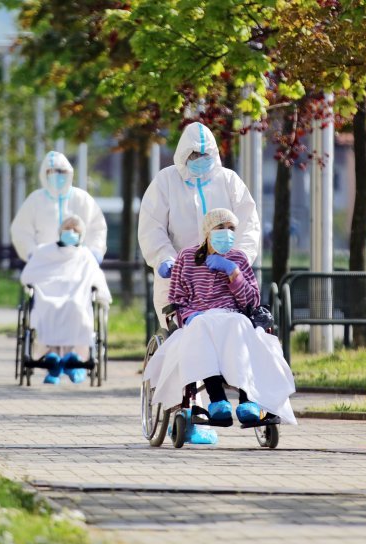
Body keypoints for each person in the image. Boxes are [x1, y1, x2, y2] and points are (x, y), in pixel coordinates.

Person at [142, 209, 296, 445]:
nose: (227, 233)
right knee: (202, 327)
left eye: (231, 229)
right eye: (220, 228)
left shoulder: (238, 260)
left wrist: (233, 273)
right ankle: (217, 401)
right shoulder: (187, 257)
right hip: (199, 316)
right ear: (207, 232)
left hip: (230, 315)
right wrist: (188, 316)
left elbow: (251, 302)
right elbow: (177, 298)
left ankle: (247, 402)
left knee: (239, 324)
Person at [138, 121, 261, 322]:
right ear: (183, 155)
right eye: (194, 155)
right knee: (182, 343)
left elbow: (248, 225)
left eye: (205, 155)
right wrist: (165, 258)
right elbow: (152, 227)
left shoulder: (229, 181)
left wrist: (236, 261)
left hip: (223, 280)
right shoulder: (166, 181)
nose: (200, 160)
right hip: (180, 278)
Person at [19, 215, 112, 385]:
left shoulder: (85, 255)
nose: (70, 232)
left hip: (76, 296)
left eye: (75, 230)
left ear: (81, 235)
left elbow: (96, 277)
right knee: (49, 307)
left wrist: (99, 292)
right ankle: (54, 360)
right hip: (47, 296)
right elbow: (29, 275)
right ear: (60, 231)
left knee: (75, 308)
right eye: (67, 228)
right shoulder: (44, 252)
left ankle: (72, 360)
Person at [11, 150, 107, 263]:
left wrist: (95, 252)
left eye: (62, 171)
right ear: (44, 174)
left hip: (77, 265)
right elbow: (21, 230)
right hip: (45, 264)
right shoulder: (35, 200)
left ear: (69, 172)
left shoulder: (82, 199)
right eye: (52, 172)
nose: (57, 175)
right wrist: (32, 253)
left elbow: (97, 228)